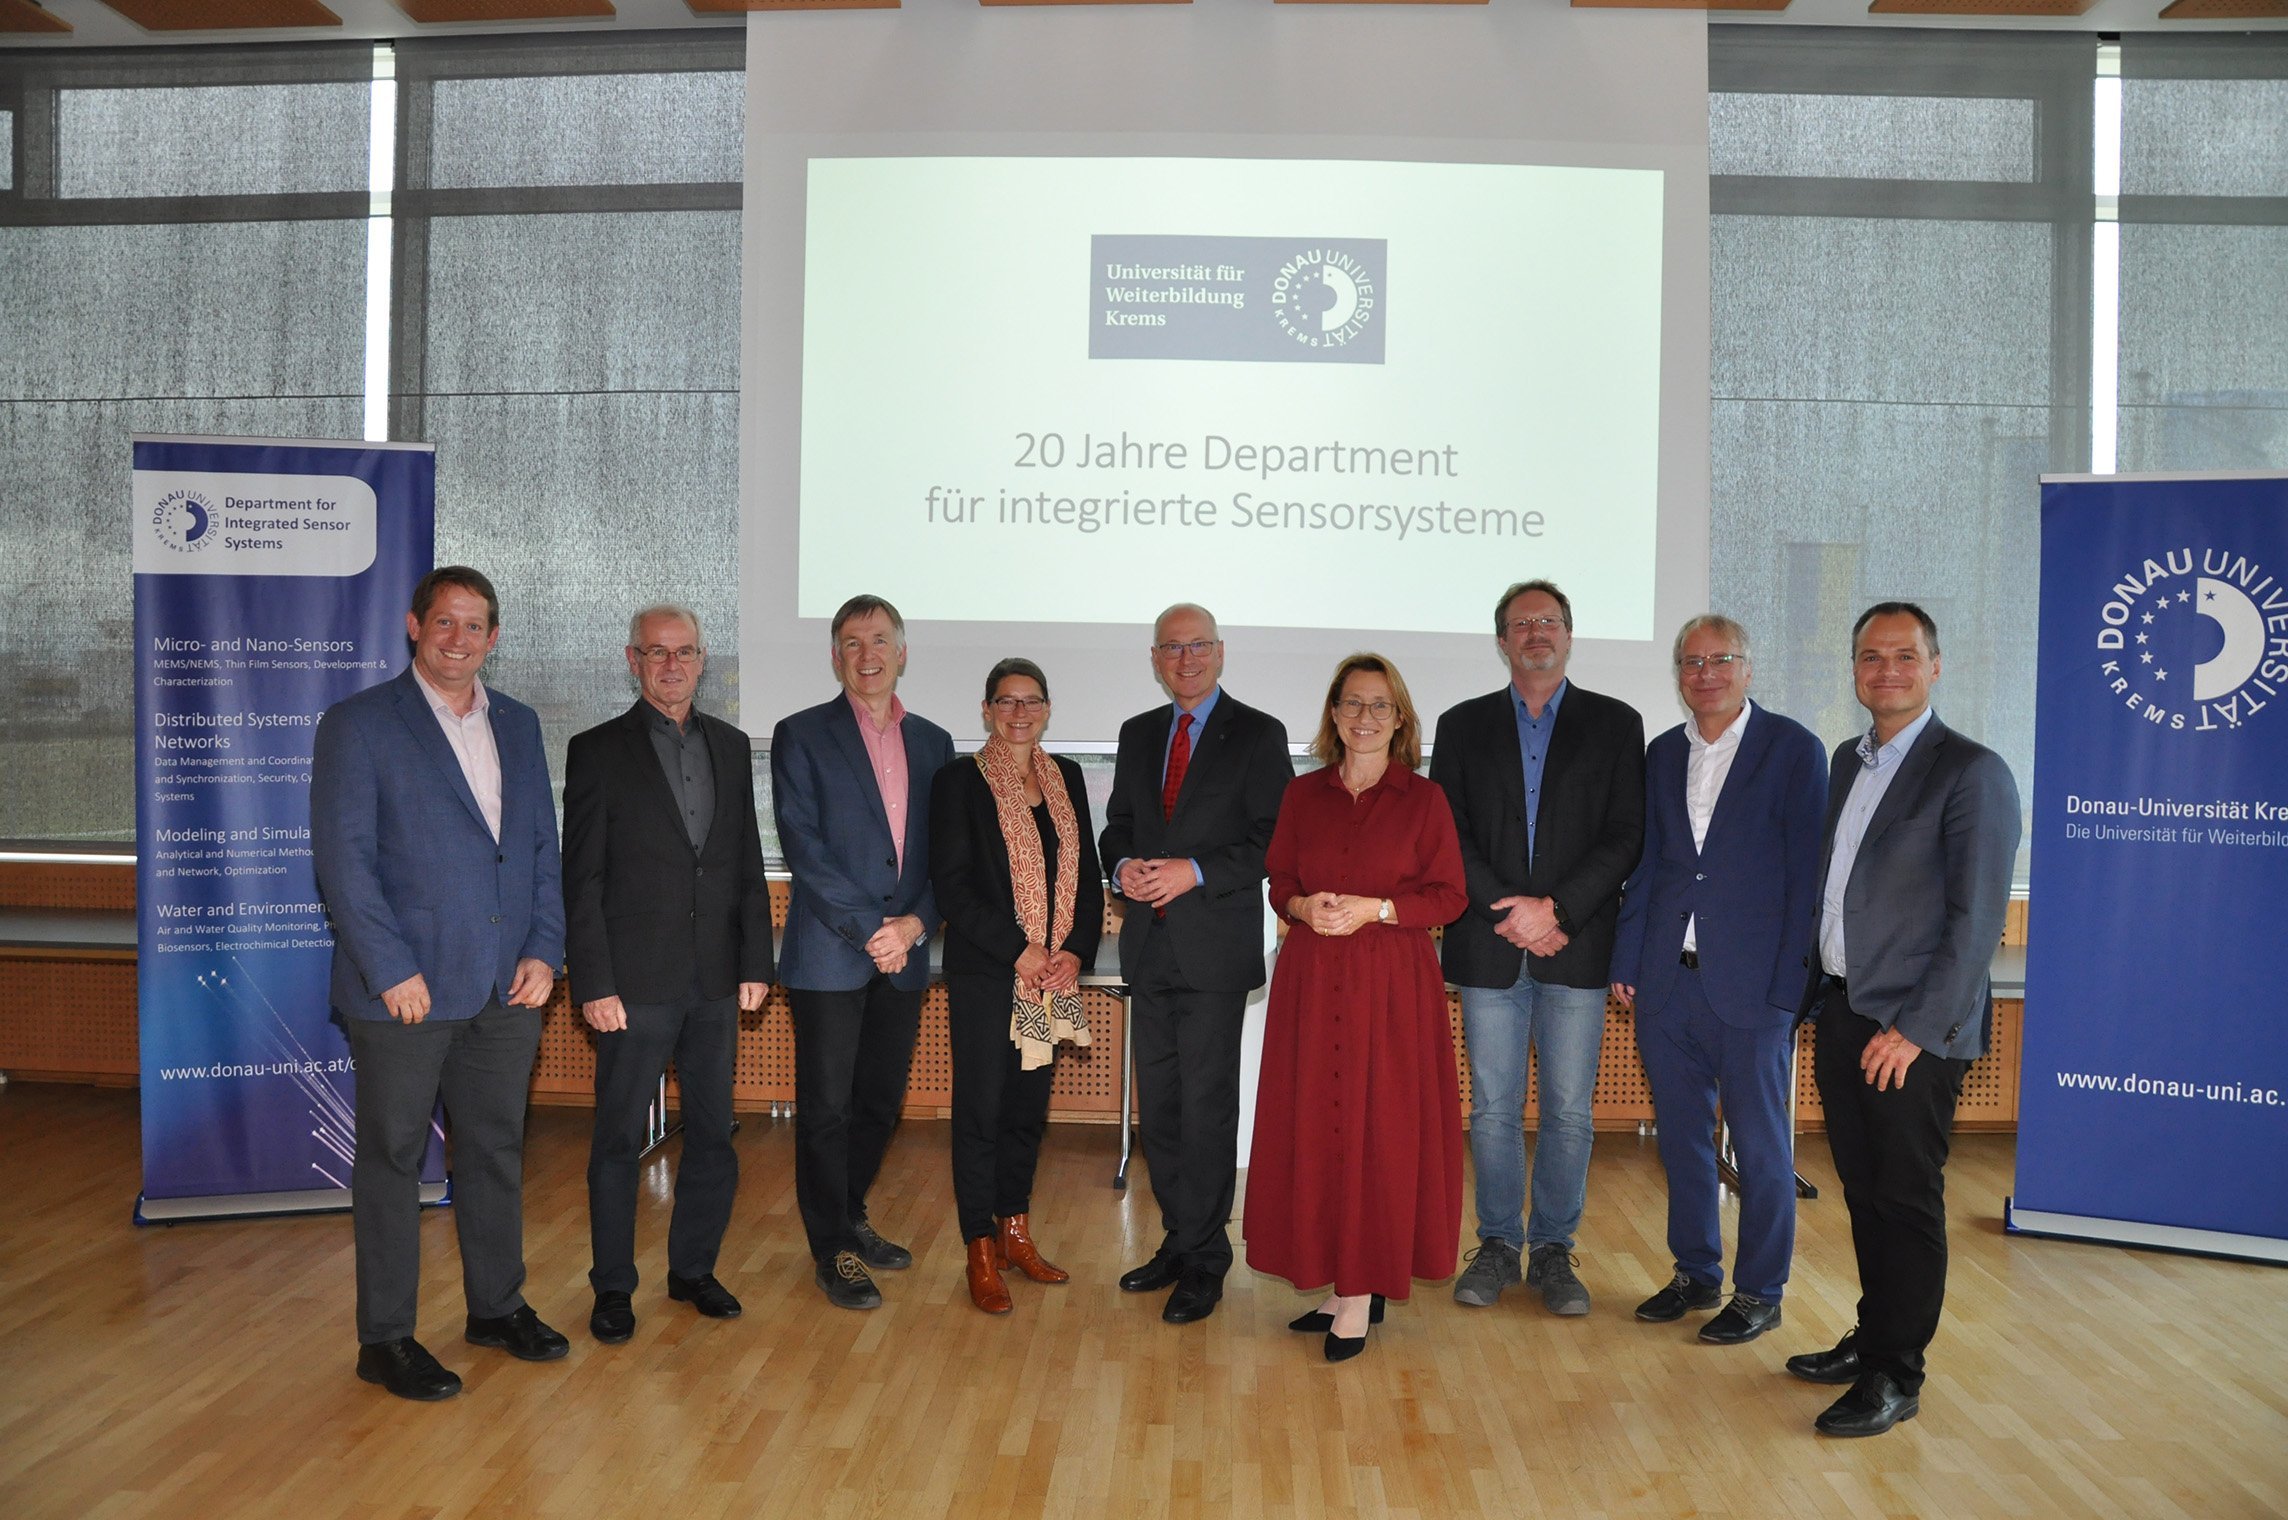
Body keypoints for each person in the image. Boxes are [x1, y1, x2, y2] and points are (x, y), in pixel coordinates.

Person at [310, 565, 567, 1401]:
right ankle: (384, 1339)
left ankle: (496, 1306)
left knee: (494, 1150)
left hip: (506, 987)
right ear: (415, 627)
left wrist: (546, 949)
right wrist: (390, 968)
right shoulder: (358, 725)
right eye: (445, 622)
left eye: (475, 624)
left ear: (494, 637)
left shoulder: (519, 724)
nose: (459, 639)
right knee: (392, 1161)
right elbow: (344, 863)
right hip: (406, 993)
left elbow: (539, 849)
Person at [1787, 602, 2019, 1437]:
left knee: (1907, 1198)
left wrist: (1915, 1031)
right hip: (1846, 1010)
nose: (1886, 670)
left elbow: (1975, 922)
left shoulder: (1973, 771)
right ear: (1854, 668)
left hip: (1911, 1031)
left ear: (1935, 666)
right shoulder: (1849, 763)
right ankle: (1874, 1335)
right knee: (1865, 1190)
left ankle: (1897, 1373)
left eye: (1904, 656)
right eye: (1870, 656)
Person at [1609, 615, 1827, 1346]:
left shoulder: (1793, 749)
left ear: (1748, 667)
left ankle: (1760, 1290)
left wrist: (1791, 987)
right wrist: (1628, 959)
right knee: (1682, 1142)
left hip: (1754, 989)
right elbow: (1650, 865)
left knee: (1761, 1150)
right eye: (1692, 662)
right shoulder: (1663, 753)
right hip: (1667, 983)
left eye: (1721, 659)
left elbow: (1808, 879)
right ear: (1678, 675)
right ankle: (1696, 1273)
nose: (1706, 674)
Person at [562, 604, 775, 1345]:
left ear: (702, 660)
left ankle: (693, 1271)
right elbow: (582, 878)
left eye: (684, 652)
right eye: (657, 652)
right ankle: (613, 1287)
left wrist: (755, 961)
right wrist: (593, 982)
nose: (672, 665)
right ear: (633, 661)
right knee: (618, 1140)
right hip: (632, 985)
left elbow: (745, 861)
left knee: (714, 1135)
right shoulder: (596, 751)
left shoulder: (731, 745)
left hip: (716, 980)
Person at [1246, 654, 1467, 1363]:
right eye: (1351, 704)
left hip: (1392, 985)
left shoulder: (1423, 800)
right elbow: (1280, 877)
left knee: (1380, 1131)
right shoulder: (1302, 794)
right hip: (1313, 981)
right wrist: (1300, 905)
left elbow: (1450, 896)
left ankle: (1361, 1290)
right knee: (1319, 1125)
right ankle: (1342, 1281)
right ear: (1333, 715)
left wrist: (1379, 908)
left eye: (1379, 705)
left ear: (1399, 719)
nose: (1364, 717)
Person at [1432, 579, 1644, 1317]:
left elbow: (1625, 834)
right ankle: (1496, 1243)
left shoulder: (1616, 723)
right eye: (1521, 624)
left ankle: (1553, 1249)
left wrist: (1558, 911)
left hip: (1574, 945)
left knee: (1568, 1111)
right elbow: (1449, 835)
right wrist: (1513, 913)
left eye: (1549, 621)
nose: (1536, 634)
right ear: (1503, 641)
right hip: (1491, 947)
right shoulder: (1461, 726)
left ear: (1569, 634)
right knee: (1492, 1109)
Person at [1100, 603, 1292, 1325]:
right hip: (1148, 949)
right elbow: (1118, 826)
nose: (1186, 659)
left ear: (1220, 652)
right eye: (1172, 648)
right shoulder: (1137, 733)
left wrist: (1195, 870)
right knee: (1162, 1111)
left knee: (1207, 1110)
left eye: (1198, 645)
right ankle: (1180, 1241)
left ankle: (1208, 1258)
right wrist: (1123, 866)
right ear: (1156, 659)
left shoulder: (1259, 733)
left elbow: (1272, 838)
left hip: (1212, 951)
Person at [771, 594, 954, 1310]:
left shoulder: (935, 742)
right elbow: (803, 846)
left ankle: (850, 1217)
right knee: (826, 1109)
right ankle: (833, 1250)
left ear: (901, 652)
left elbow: (947, 856)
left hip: (904, 955)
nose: (866, 654)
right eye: (852, 642)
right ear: (835, 656)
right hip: (830, 955)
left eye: (879, 640)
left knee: (879, 1103)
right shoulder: (800, 734)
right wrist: (874, 930)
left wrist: (913, 927)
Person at [929, 658, 1103, 1314]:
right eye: (1006, 701)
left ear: (1048, 709)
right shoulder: (958, 781)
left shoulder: (1068, 778)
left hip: (1050, 978)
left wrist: (1075, 952)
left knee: (1027, 1112)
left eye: (1031, 701)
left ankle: (1015, 1232)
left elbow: (1086, 877)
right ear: (986, 710)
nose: (1019, 712)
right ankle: (979, 1246)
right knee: (981, 1111)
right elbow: (954, 887)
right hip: (987, 973)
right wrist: (1019, 951)